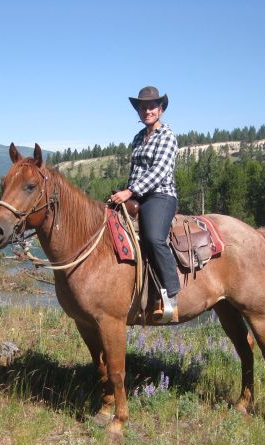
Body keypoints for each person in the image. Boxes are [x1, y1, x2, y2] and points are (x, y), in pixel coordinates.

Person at [110, 86, 180, 322]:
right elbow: (135, 172)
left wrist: (129, 192)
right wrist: (122, 195)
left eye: (152, 106)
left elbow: (159, 172)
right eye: (143, 107)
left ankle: (172, 294)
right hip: (137, 195)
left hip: (160, 195)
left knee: (153, 237)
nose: (147, 110)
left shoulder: (167, 136)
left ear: (160, 109)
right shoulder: (138, 138)